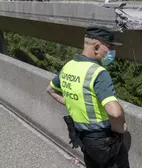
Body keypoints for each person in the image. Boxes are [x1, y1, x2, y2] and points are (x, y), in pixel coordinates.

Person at [46, 25, 130, 168]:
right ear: (97, 47)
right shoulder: (98, 73)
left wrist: (72, 102)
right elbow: (114, 112)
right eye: (109, 47)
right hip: (103, 140)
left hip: (82, 138)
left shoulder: (68, 66)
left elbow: (50, 90)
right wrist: (120, 128)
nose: (111, 52)